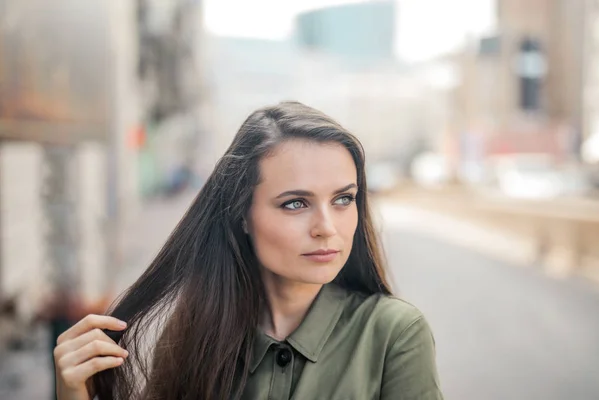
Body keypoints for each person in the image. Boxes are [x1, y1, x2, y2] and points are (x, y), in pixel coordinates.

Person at [52, 101, 443, 400]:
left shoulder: (394, 334)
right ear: (242, 214)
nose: (327, 227)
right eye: (296, 203)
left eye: (343, 199)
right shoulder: (195, 334)